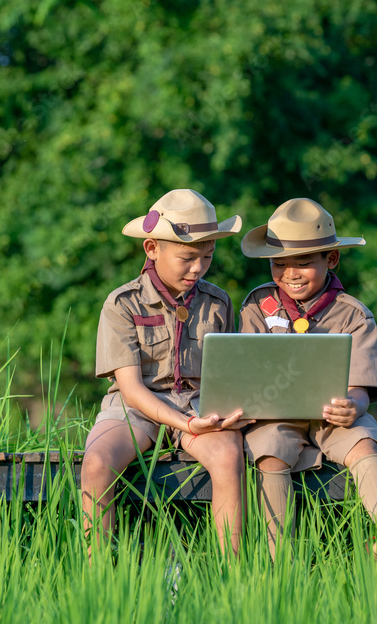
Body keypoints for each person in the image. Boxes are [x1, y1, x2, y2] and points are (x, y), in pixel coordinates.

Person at [80, 189, 253, 558]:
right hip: (136, 407)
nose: (198, 268)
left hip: (198, 405)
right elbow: (129, 388)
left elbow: (227, 374)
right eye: (187, 258)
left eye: (207, 257)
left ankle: (233, 574)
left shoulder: (218, 302)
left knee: (227, 456)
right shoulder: (122, 303)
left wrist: (221, 414)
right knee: (95, 462)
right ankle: (98, 574)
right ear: (152, 249)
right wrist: (181, 424)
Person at [239, 197, 377, 559]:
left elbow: (361, 383)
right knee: (269, 454)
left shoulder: (352, 314)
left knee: (363, 441)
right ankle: (277, 557)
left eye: (303, 263)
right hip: (275, 415)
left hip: (331, 414)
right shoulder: (256, 306)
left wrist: (354, 405)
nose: (290, 274)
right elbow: (243, 366)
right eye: (278, 264)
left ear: (330, 260)